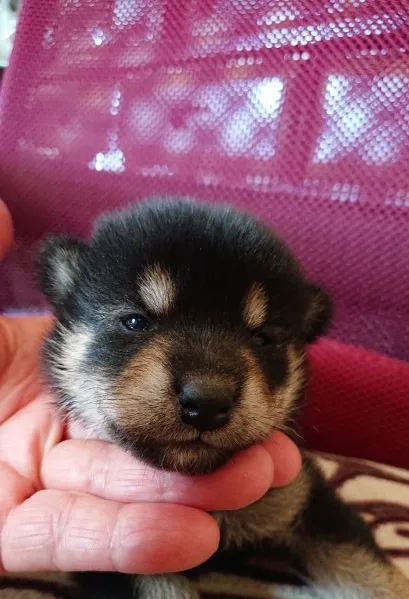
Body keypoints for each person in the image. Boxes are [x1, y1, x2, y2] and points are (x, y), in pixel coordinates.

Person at [0, 200, 301, 574]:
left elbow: (329, 530)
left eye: (263, 339)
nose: (207, 391)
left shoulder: (275, 469)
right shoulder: (52, 462)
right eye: (135, 322)